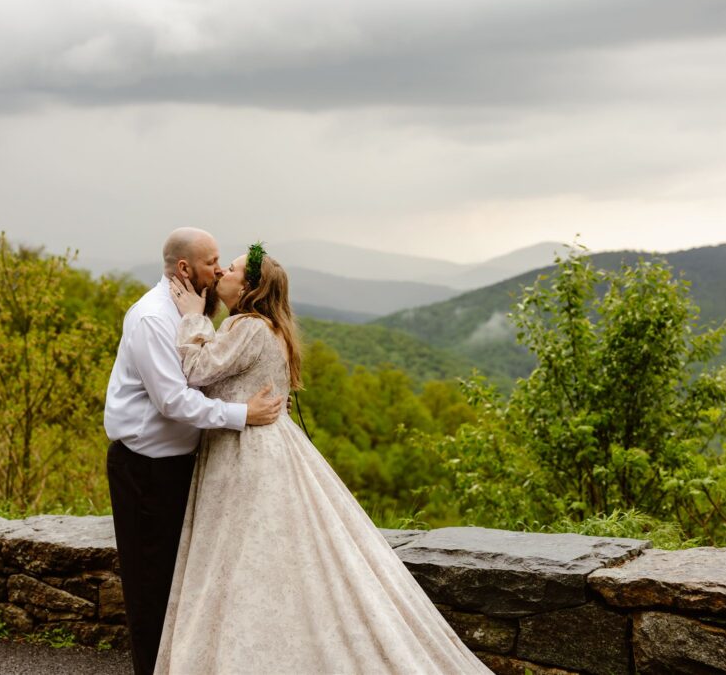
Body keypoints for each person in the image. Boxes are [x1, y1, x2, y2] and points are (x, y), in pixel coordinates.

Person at [155, 243, 492, 674]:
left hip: (245, 455)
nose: (222, 273)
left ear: (251, 287)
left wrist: (191, 318)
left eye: (233, 269)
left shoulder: (249, 326)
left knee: (239, 559)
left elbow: (197, 370)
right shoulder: (267, 327)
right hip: (266, 446)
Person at [104, 228, 285, 675]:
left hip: (185, 466)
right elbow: (173, 401)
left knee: (182, 584)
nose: (221, 269)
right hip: (146, 469)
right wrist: (242, 414)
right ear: (184, 268)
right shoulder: (152, 318)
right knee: (151, 587)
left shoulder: (200, 308)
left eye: (225, 262)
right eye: (213, 261)